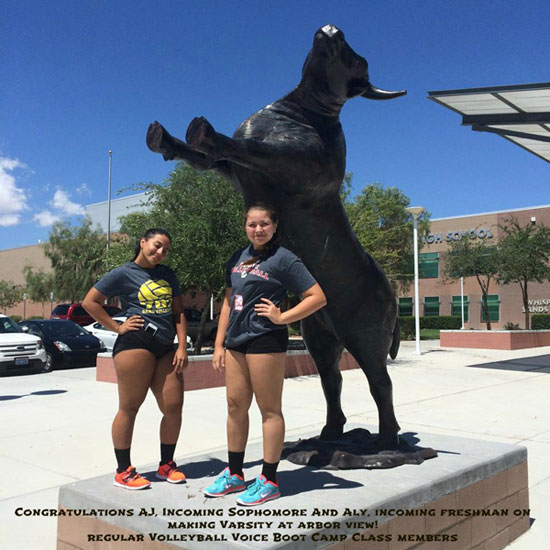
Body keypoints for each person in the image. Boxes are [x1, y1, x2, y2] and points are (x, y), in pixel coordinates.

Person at [204, 203, 327, 505]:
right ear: (245, 226)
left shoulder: (284, 259)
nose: (258, 229)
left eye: (263, 224)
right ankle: (235, 474)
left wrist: (282, 317)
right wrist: (219, 344)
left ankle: (269, 479)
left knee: (269, 409)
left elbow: (317, 297)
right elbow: (227, 302)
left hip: (265, 340)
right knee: (235, 405)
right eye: (252, 224)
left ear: (274, 226)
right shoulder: (238, 257)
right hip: (236, 341)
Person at [83, 228, 188, 490]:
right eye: (156, 245)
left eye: (165, 249)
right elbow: (91, 302)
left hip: (166, 346)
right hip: (135, 342)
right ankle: (123, 471)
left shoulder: (167, 274)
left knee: (173, 406)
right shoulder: (123, 272)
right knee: (130, 407)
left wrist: (182, 345)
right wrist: (117, 327)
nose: (160, 252)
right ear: (142, 243)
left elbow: (178, 312)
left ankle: (166, 465)